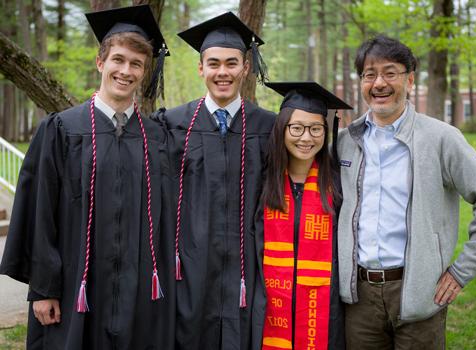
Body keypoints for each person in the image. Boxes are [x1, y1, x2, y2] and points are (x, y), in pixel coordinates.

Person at [0, 5, 171, 349]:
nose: (126, 71)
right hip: (75, 289)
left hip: (138, 292)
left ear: (145, 71)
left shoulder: (158, 138)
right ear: (100, 62)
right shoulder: (62, 129)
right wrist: (44, 289)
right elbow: (40, 212)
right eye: (118, 60)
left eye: (136, 64)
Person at [336, 34, 476, 349]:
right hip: (358, 298)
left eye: (390, 73)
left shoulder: (441, 138)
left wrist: (462, 271)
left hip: (420, 292)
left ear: (410, 79)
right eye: (370, 75)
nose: (379, 83)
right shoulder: (345, 141)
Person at [152, 12, 276, 350]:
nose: (223, 72)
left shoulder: (270, 127)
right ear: (201, 68)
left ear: (245, 68)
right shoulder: (170, 124)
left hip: (247, 267)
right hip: (190, 266)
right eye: (214, 63)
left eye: (232, 63)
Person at [257, 82, 352, 350]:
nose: (306, 138)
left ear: (326, 131)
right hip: (270, 306)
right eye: (296, 128)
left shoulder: (338, 183)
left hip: (324, 308)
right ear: (282, 129)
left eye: (315, 129)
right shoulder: (262, 180)